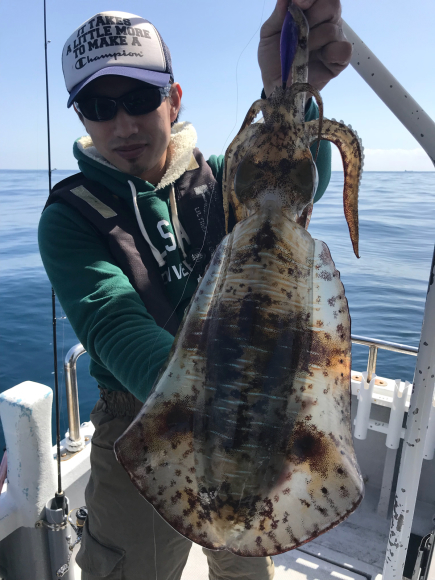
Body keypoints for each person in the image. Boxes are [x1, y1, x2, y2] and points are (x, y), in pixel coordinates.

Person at [38, 1, 352, 578]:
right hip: (144, 416)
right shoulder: (69, 218)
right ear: (82, 117)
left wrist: (292, 93)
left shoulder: (223, 176)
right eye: (99, 107)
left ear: (173, 98)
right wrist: (205, 403)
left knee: (245, 560)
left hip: (254, 406)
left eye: (137, 99)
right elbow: (113, 323)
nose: (123, 124)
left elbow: (291, 190)